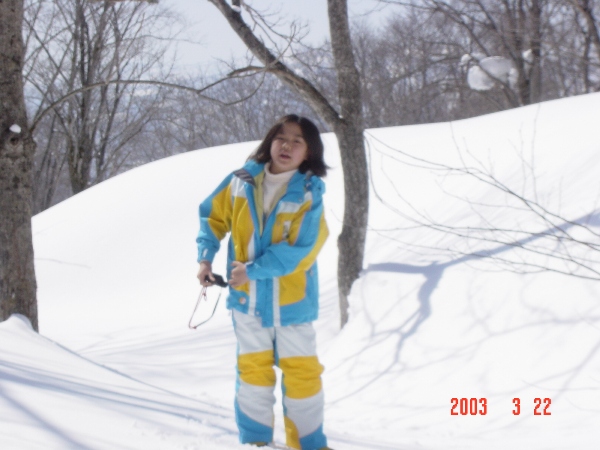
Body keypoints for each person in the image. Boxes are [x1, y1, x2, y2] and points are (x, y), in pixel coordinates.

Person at [196, 114, 333, 450]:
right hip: (247, 302)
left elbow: (302, 249)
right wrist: (205, 258)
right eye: (281, 138)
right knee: (253, 373)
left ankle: (309, 445)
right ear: (270, 142)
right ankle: (256, 443)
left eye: (297, 141)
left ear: (309, 152)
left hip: (292, 303)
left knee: (302, 374)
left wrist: (252, 270)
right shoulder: (240, 182)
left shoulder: (309, 193)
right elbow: (212, 216)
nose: (287, 146)